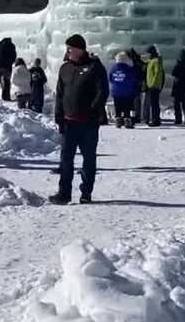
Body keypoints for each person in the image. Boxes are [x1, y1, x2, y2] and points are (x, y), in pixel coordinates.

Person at [51, 34, 109, 205]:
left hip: (88, 123)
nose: (68, 51)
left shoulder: (94, 67)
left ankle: (86, 193)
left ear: (80, 49)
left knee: (88, 158)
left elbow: (102, 91)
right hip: (69, 122)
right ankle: (64, 193)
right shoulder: (65, 68)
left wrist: (93, 110)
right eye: (67, 48)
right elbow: (60, 94)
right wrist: (58, 116)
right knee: (66, 159)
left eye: (70, 48)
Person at [109, 51, 139, 129]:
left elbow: (110, 78)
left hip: (116, 91)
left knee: (118, 106)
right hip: (127, 92)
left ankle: (118, 120)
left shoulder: (113, 68)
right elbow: (133, 79)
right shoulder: (129, 69)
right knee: (127, 107)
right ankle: (127, 120)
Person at [143, 46, 165, 127]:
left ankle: (156, 120)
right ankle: (154, 119)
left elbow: (158, 74)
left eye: (148, 53)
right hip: (151, 85)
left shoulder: (156, 61)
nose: (147, 55)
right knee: (153, 103)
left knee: (154, 104)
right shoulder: (151, 61)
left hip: (153, 86)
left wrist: (153, 84)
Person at [171, 50, 185, 125]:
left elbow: (173, 72)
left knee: (177, 104)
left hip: (178, 85)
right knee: (184, 103)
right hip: (184, 85)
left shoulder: (179, 64)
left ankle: (178, 119)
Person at [127, 48, 147, 124]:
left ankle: (135, 116)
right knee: (137, 101)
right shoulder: (139, 62)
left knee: (134, 101)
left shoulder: (134, 62)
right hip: (138, 83)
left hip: (135, 83)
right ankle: (136, 116)